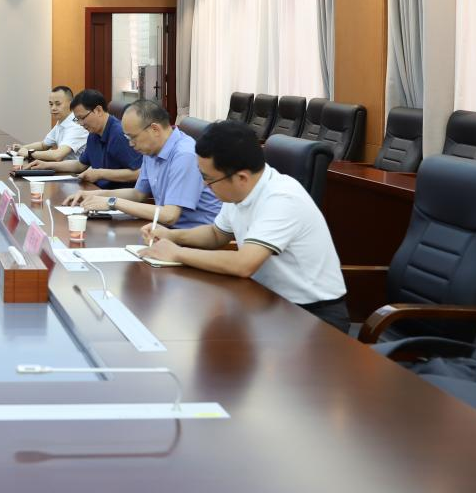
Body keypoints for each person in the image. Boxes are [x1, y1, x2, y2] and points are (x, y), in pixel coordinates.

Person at [139, 121, 349, 331]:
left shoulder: (282, 198)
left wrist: (177, 253)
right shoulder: (238, 191)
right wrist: (171, 236)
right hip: (267, 301)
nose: (204, 185)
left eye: (208, 179)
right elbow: (215, 234)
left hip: (313, 316)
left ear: (241, 177)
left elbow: (244, 264)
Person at [65, 99, 221, 227]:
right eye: (128, 138)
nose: (131, 144)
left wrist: (112, 202)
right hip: (165, 231)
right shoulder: (151, 149)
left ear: (155, 129)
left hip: (197, 239)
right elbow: (138, 194)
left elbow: (169, 215)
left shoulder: (184, 155)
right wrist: (95, 195)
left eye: (133, 137)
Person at [30, 90, 141, 188]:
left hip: (116, 196)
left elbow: (139, 173)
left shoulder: (119, 134)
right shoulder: (93, 133)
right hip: (97, 190)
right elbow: (81, 164)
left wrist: (101, 174)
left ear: (98, 110)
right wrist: (47, 165)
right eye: (77, 119)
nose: (81, 123)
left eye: (82, 118)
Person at [11, 85, 87, 164]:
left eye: (58, 104)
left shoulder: (77, 126)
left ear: (71, 104)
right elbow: (44, 145)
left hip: (75, 171)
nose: (53, 108)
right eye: (51, 104)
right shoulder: (61, 122)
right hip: (62, 167)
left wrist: (29, 153)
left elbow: (58, 155)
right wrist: (22, 148)